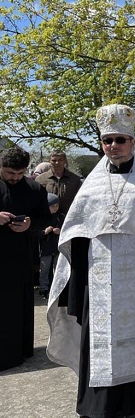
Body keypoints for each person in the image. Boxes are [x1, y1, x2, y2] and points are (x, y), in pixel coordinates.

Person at [47, 104, 135, 418]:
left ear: (132, 141)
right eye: (107, 140)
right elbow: (77, 228)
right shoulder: (92, 186)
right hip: (97, 274)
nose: (113, 146)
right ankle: (98, 399)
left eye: (120, 139)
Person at [0, 147, 50, 371]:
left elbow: (44, 219)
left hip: (19, 255)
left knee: (15, 303)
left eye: (20, 173)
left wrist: (31, 224)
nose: (15, 178)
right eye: (10, 172)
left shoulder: (34, 188)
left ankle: (18, 349)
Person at [36, 151, 83, 215]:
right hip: (47, 218)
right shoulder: (41, 179)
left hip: (68, 217)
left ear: (65, 161)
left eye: (60, 160)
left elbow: (80, 200)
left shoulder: (75, 179)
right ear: (49, 161)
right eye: (54, 160)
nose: (57, 163)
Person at [38, 193, 64, 299]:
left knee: (58, 268)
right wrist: (44, 232)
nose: (55, 208)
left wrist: (60, 231)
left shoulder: (60, 216)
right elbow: (35, 233)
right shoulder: (41, 217)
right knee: (44, 269)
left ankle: (57, 288)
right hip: (45, 248)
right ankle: (44, 288)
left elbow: (67, 230)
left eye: (57, 206)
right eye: (52, 206)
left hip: (57, 247)